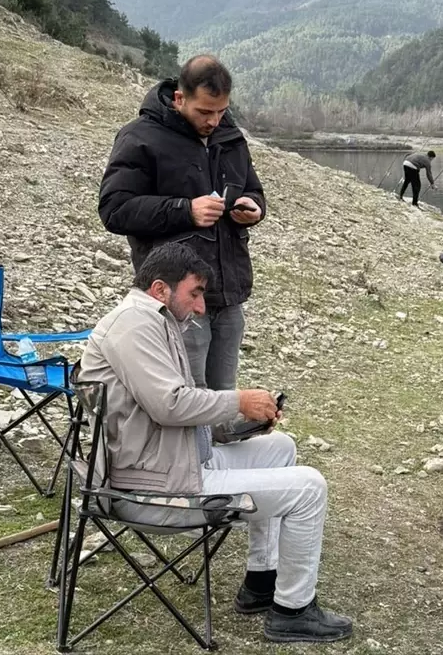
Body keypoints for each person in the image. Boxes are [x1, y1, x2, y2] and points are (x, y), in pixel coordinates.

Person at [77, 243, 354, 644]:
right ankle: (293, 611)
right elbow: (169, 405)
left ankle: (261, 581)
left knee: (280, 448)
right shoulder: (134, 325)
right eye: (194, 293)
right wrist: (238, 400)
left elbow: (168, 411)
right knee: (310, 487)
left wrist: (237, 425)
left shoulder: (152, 320)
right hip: (153, 487)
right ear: (160, 289)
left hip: (170, 461)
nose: (201, 307)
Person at [98, 54, 265, 393]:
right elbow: (114, 209)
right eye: (205, 112)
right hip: (176, 298)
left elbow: (253, 189)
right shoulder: (140, 137)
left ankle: (216, 446)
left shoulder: (229, 136)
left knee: (223, 399)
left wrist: (255, 208)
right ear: (179, 98)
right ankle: (192, 449)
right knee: (187, 400)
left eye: (221, 111)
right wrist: (185, 210)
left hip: (228, 292)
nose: (214, 121)